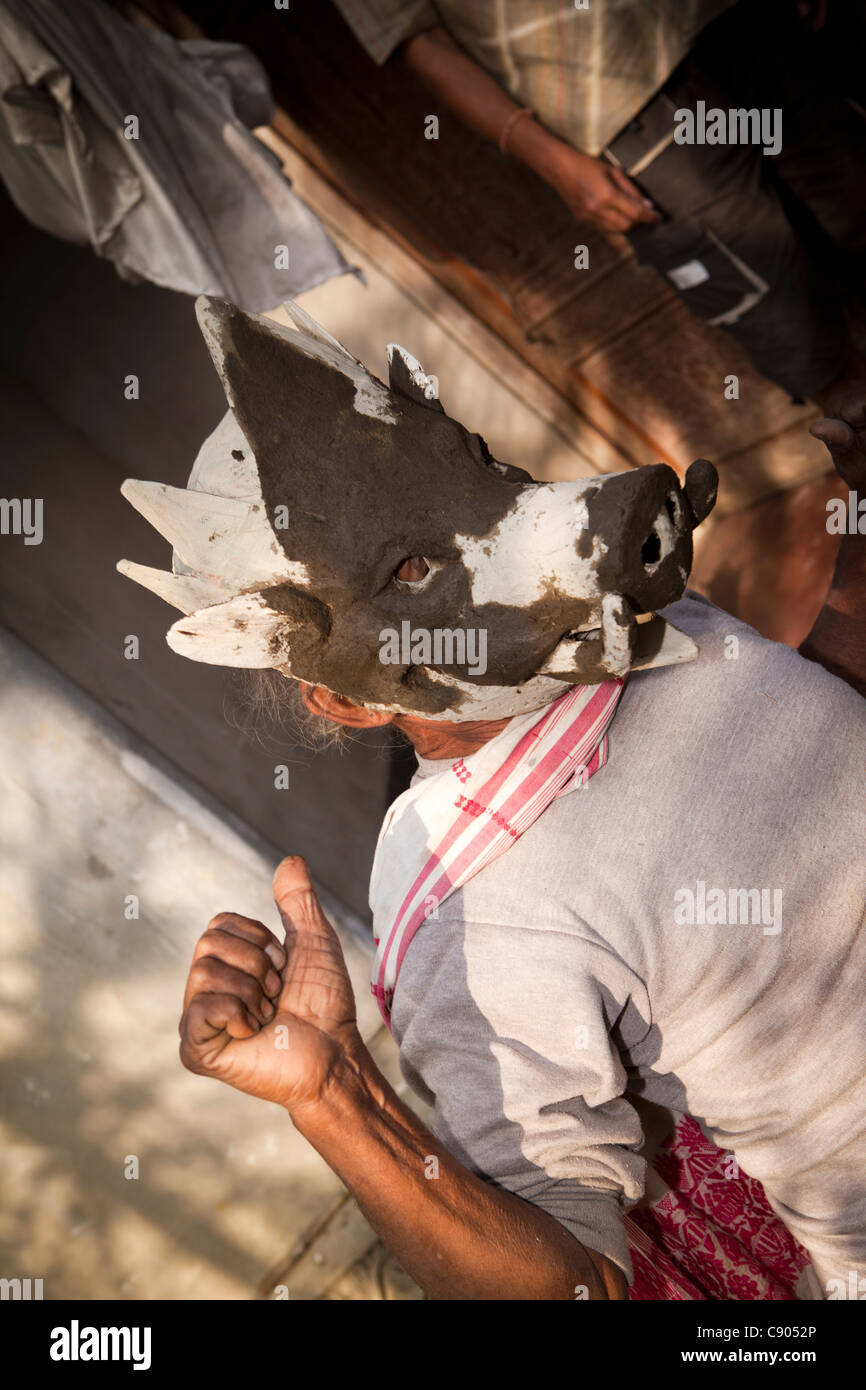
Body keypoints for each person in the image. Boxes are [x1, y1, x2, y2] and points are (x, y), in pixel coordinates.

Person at [120, 298, 866, 1300]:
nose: (507, 523)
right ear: (340, 698)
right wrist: (336, 1094)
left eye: (480, 475)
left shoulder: (611, 624)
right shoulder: (460, 902)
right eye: (413, 567)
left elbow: (815, 727)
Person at [332, 0, 866, 409]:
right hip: (619, 108)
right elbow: (418, 41)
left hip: (728, 22)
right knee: (786, 319)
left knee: (855, 203)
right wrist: (554, 162)